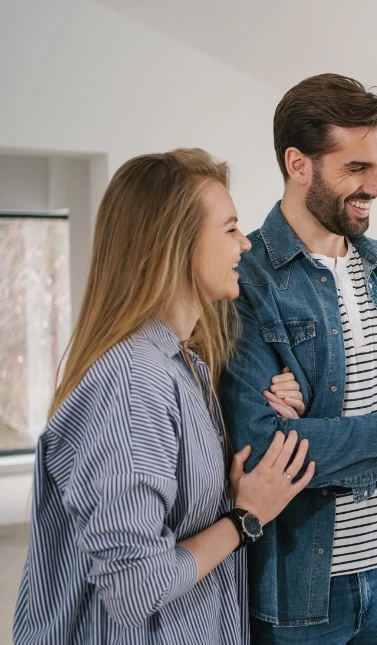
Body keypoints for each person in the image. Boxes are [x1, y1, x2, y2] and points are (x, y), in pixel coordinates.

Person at [13, 149, 314, 644]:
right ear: (179, 245)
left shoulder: (184, 363)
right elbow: (136, 586)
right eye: (230, 228)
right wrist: (245, 519)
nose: (245, 244)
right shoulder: (134, 383)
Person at [219, 73, 377, 644]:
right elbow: (260, 450)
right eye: (357, 168)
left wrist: (315, 432)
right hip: (301, 587)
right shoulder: (246, 278)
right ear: (298, 163)